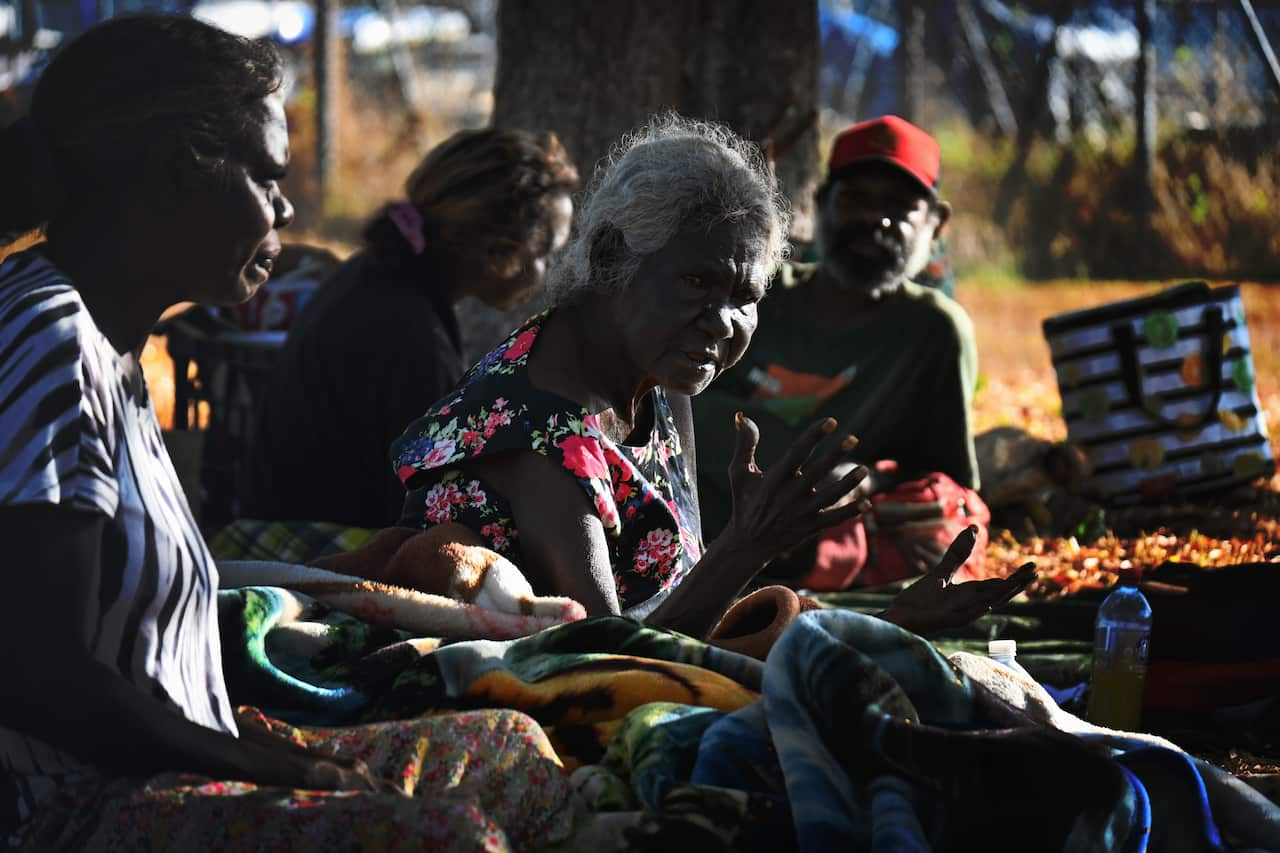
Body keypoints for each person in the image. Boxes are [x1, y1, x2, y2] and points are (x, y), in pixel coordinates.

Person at [0, 16, 572, 849]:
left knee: (512, 753)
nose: (288, 204)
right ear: (173, 174)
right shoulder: (49, 341)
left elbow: (132, 654)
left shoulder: (109, 343)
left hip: (161, 766)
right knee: (445, 836)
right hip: (73, 810)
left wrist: (246, 735)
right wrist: (274, 768)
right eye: (264, 174)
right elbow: (37, 672)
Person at [390, 114, 1032, 640]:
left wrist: (882, 622)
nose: (725, 323)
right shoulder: (543, 435)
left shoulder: (658, 377)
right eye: (697, 281)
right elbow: (609, 661)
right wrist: (750, 546)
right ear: (614, 256)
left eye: (747, 296)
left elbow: (682, 602)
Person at [692, 114, 983, 589]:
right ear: (821, 203)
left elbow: (945, 483)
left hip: (816, 563)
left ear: (936, 224)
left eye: (899, 206)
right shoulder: (755, 296)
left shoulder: (933, 334)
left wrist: (867, 480)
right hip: (690, 538)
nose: (874, 219)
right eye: (855, 200)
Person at [244, 129, 578, 528]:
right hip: (316, 545)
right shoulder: (412, 336)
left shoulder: (378, 279)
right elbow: (421, 513)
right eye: (546, 254)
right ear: (498, 254)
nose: (551, 272)